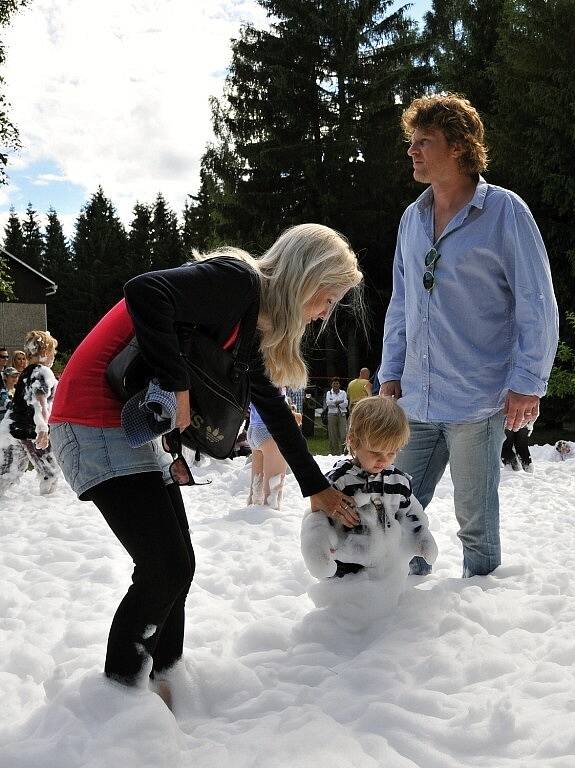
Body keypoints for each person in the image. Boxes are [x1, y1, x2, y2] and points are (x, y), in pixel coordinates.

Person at [48, 223, 363, 704]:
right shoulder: (236, 280)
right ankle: (119, 698)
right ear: (307, 278)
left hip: (124, 427)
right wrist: (177, 385)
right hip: (92, 418)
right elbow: (144, 289)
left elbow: (271, 406)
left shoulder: (247, 319)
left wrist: (314, 485)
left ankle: (161, 678)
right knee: (165, 565)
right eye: (329, 297)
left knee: (179, 563)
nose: (325, 312)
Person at [379, 93, 558, 578]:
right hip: (416, 397)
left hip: (478, 398)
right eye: (411, 143)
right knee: (398, 517)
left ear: (459, 146)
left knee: (475, 526)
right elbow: (402, 303)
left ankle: (474, 624)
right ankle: (398, 610)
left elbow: (536, 302)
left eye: (424, 142)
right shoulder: (410, 220)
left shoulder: (505, 212)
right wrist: (391, 373)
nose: (412, 152)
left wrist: (529, 380)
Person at [301, 396, 437, 585]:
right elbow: (318, 517)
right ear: (353, 442)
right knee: (344, 611)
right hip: (344, 566)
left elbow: (409, 514)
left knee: (383, 607)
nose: (383, 460)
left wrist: (421, 536)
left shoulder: (399, 481)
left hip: (385, 564)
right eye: (375, 452)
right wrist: (318, 546)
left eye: (391, 453)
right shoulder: (339, 480)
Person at [0, 331, 59, 496]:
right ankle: (48, 509)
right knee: (50, 471)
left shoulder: (28, 371)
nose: (54, 356)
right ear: (45, 352)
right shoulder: (42, 371)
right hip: (28, 429)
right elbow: (39, 401)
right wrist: (42, 428)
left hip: (11, 428)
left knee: (9, 473)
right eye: (53, 352)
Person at [325, 378, 348, 455]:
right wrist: (338, 402)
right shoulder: (329, 393)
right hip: (332, 414)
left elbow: (345, 404)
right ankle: (335, 453)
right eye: (334, 383)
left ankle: (344, 452)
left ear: (339, 384)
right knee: (333, 435)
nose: (335, 385)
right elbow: (328, 403)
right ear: (332, 385)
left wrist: (335, 403)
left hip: (342, 414)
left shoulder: (343, 393)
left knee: (343, 435)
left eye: (337, 383)